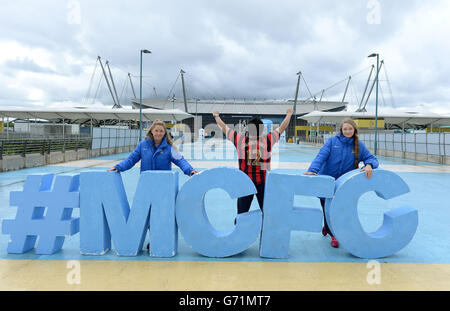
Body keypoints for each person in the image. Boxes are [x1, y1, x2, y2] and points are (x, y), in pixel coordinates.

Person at [304, 118, 379, 248]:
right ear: (341, 130)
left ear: (354, 130)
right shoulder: (332, 142)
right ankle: (333, 234)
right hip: (327, 181)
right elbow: (321, 156)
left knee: (340, 208)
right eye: (345, 129)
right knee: (327, 207)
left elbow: (371, 158)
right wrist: (312, 170)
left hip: (344, 184)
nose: (347, 131)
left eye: (350, 129)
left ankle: (328, 228)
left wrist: (369, 165)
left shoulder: (358, 145)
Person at [213, 108, 294, 216]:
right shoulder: (268, 140)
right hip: (263, 183)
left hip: (245, 182)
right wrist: (289, 114)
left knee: (242, 214)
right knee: (267, 213)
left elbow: (224, 127)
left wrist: (216, 116)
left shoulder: (240, 139)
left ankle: (240, 229)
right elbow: (282, 127)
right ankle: (265, 231)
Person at [108, 120, 198, 176]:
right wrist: (118, 167)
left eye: (161, 131)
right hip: (147, 182)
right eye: (156, 130)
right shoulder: (142, 145)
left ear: (165, 133)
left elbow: (180, 160)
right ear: (151, 131)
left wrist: (190, 171)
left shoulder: (169, 147)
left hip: (163, 182)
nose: (158, 133)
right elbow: (131, 160)